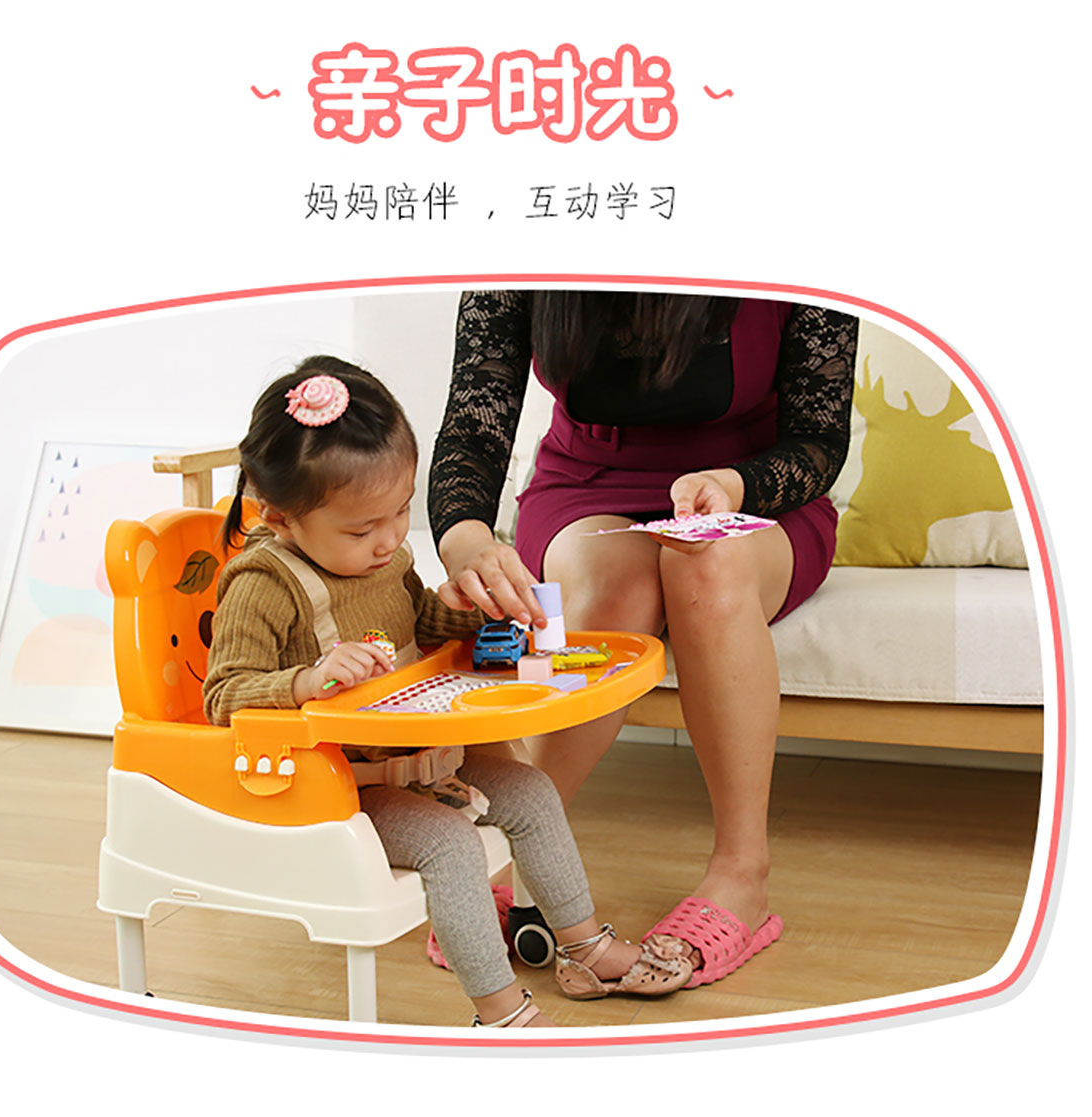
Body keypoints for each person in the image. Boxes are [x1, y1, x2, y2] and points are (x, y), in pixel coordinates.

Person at [203, 355, 695, 1027]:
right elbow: (224, 694)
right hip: (334, 784)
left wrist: (474, 615)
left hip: (414, 758)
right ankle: (501, 1014)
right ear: (281, 518)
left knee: (533, 791)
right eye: (361, 529)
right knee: (451, 845)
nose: (388, 540)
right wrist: (307, 681)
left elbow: (422, 623)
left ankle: (585, 951)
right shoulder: (263, 584)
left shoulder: (385, 559)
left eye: (400, 512)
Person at [428, 290, 858, 985]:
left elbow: (819, 439)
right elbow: (473, 426)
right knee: (618, 587)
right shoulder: (523, 250)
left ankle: (742, 872)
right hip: (587, 482)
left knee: (706, 565)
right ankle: (516, 847)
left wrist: (733, 484)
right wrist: (467, 539)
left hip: (754, 491)